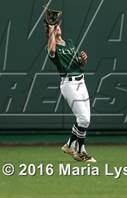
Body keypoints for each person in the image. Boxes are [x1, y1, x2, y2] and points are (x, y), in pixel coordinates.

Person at [46, 22, 96, 163]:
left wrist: (82, 60)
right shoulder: (52, 47)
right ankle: (81, 151)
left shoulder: (69, 42)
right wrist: (50, 31)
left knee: (85, 120)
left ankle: (69, 146)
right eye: (54, 26)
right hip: (69, 84)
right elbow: (51, 51)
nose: (57, 27)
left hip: (81, 81)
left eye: (57, 25)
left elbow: (77, 64)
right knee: (84, 119)